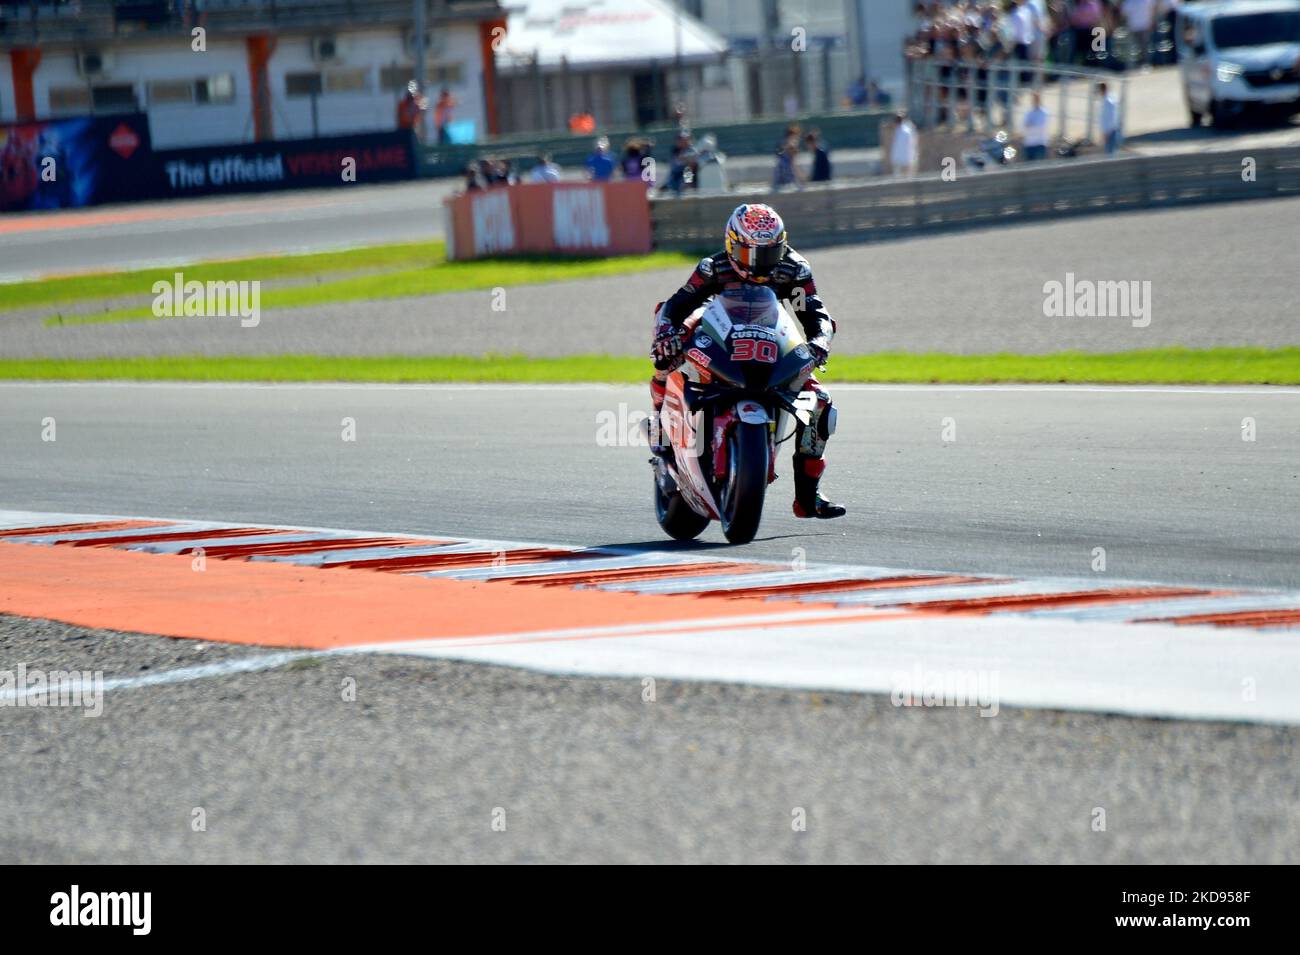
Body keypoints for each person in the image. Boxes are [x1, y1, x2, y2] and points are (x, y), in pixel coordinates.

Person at [648, 204, 845, 520]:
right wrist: (669, 333)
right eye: (749, 253)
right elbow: (677, 304)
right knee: (666, 355)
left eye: (768, 254)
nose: (758, 264)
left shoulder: (794, 269)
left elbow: (815, 314)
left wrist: (820, 343)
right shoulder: (714, 268)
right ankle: (660, 424)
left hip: (769, 338)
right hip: (720, 329)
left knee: (820, 404)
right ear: (731, 245)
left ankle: (808, 497)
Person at [1022, 91, 1050, 160]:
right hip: (1029, 143)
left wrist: (1030, 125)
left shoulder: (1044, 112)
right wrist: (1031, 126)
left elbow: (1040, 127)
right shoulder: (1028, 112)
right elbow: (1023, 126)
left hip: (1040, 143)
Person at [889, 111, 918, 177]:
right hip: (902, 158)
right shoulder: (900, 131)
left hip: (904, 158)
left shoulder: (906, 131)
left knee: (906, 176)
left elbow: (911, 144)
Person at [1098, 81, 1120, 155]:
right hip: (1109, 131)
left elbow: (1111, 118)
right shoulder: (1108, 100)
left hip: (1110, 132)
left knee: (1110, 154)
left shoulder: (1108, 102)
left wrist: (1106, 134)